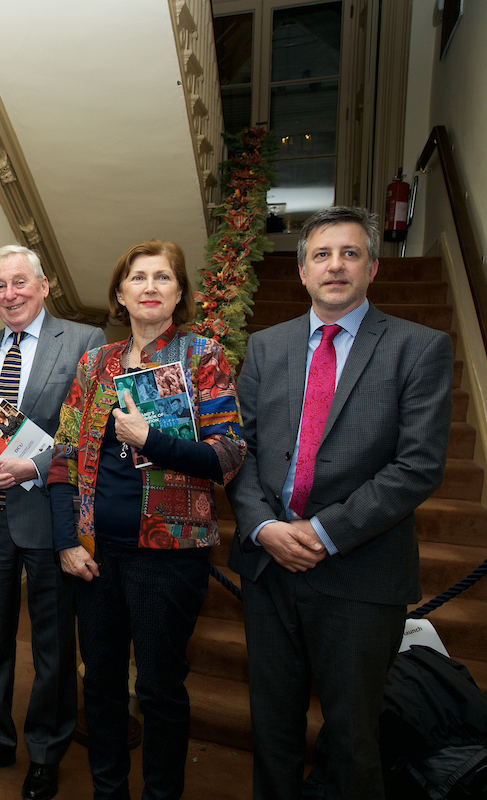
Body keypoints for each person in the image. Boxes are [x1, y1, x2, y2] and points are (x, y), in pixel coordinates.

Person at [227, 207, 452, 800]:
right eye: (321, 255)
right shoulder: (266, 347)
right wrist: (262, 526)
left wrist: (323, 532)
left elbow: (418, 467)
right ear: (302, 271)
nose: (335, 266)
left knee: (354, 741)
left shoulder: (419, 348)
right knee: (272, 731)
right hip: (268, 569)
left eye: (350, 254)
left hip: (360, 574)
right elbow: (239, 448)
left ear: (372, 268)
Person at [50, 240, 244, 800]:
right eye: (138, 277)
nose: (150, 286)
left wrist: (150, 440)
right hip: (94, 555)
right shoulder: (95, 363)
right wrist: (66, 541)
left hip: (169, 557)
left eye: (163, 277)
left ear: (180, 293)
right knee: (102, 686)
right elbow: (63, 454)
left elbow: (229, 455)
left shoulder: (201, 357)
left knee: (159, 691)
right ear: (120, 293)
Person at [0, 245, 104, 800]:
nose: (10, 294)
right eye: (0, 285)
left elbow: (89, 432)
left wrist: (33, 466)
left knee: (52, 646)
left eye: (20, 282)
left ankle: (45, 751)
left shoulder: (84, 341)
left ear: (43, 285)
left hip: (49, 517)